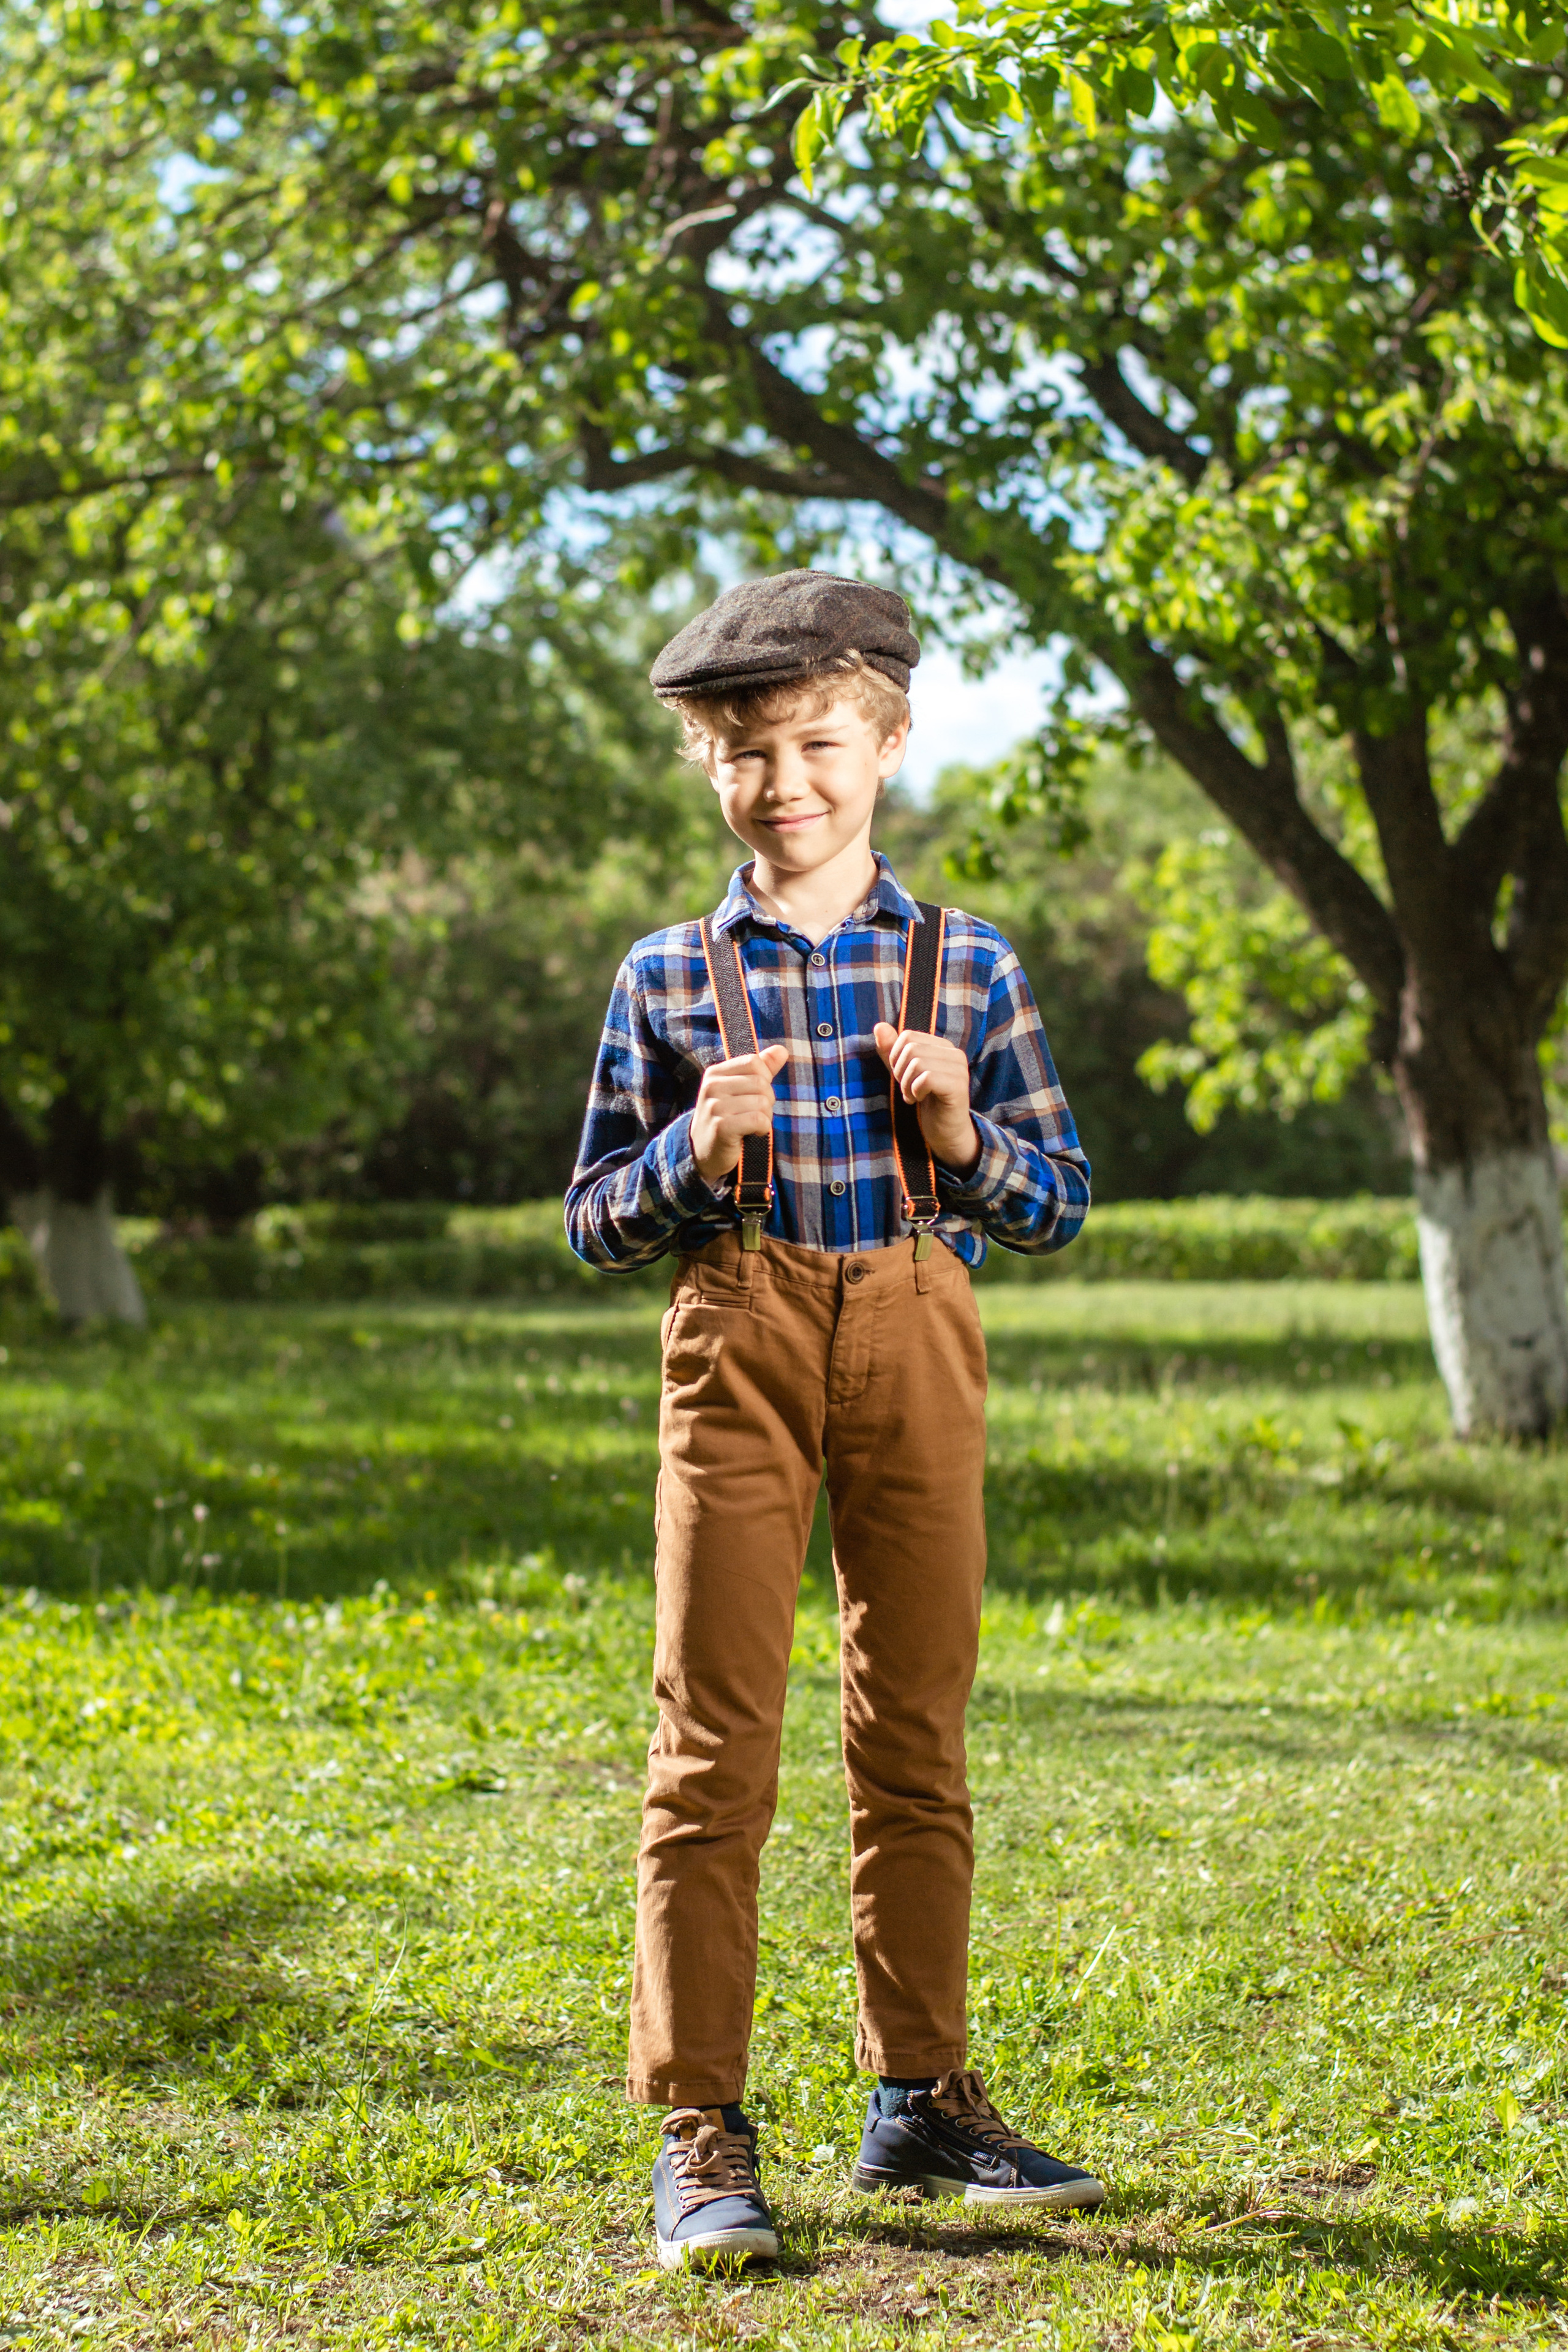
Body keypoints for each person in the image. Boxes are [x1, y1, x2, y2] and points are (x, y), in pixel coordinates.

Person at [565, 570, 1102, 2269]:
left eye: (817, 743)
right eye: (747, 754)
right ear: (710, 771)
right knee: (713, 1735)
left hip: (920, 1326)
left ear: (886, 740)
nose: (784, 781)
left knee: (915, 1725)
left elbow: (1060, 1205)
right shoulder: (664, 975)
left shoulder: (972, 968)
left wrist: (963, 1139)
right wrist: (685, 1159)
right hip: (738, 1334)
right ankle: (700, 2124)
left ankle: (921, 2096)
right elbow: (590, 1220)